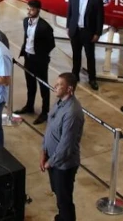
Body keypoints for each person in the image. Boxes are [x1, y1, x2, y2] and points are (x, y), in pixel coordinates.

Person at [41, 73, 84, 221]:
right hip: (52, 159)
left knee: (64, 200)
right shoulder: (59, 102)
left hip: (63, 165)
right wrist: (43, 152)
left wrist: (50, 162)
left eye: (60, 85)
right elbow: (50, 127)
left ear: (69, 89)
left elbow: (66, 146)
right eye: (56, 83)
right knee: (59, 195)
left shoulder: (72, 113)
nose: (55, 87)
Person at [16, 0, 55, 124]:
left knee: (43, 86)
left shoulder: (45, 27)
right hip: (28, 57)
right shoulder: (25, 22)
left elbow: (51, 44)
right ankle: (29, 106)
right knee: (30, 84)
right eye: (28, 9)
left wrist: (41, 55)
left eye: (32, 9)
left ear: (38, 10)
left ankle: (45, 112)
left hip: (40, 60)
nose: (29, 11)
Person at [66, 0, 104, 90]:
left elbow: (99, 17)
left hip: (88, 32)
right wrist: (68, 26)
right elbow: (70, 12)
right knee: (76, 55)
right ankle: (75, 76)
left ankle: (92, 79)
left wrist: (98, 33)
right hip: (75, 30)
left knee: (90, 56)